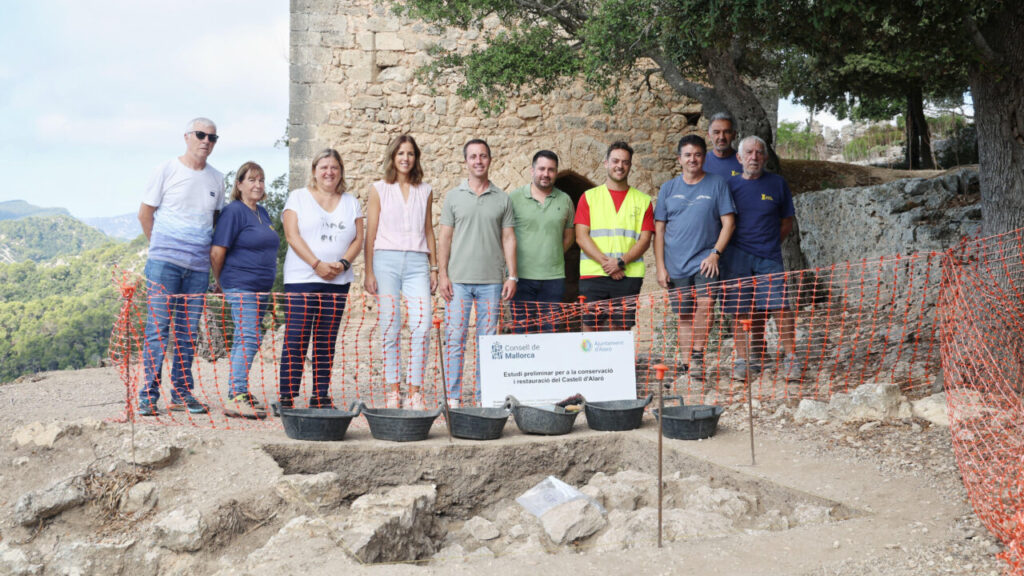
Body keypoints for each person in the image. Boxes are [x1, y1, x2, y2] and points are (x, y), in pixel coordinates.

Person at [137, 117, 225, 417]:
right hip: (165, 266)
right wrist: (160, 249)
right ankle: (148, 395)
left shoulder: (217, 179)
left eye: (212, 138)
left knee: (188, 333)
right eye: (200, 135)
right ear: (187, 137)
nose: (206, 141)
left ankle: (181, 392)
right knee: (158, 330)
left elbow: (214, 223)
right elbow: (145, 214)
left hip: (198, 269)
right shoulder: (165, 169)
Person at [278, 149, 364, 410]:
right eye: (324, 167)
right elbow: (292, 235)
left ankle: (320, 395)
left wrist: (343, 264)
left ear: (341, 171)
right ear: (314, 171)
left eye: (334, 167)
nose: (329, 172)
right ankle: (287, 396)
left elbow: (359, 238)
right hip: (302, 278)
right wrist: (316, 264)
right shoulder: (298, 198)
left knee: (326, 340)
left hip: (337, 281)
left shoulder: (351, 202)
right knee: (296, 337)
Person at [438, 139, 517, 408]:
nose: (478, 161)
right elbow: (445, 238)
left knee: (488, 343)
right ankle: (453, 397)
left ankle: (486, 395)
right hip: (458, 281)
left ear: (490, 160)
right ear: (466, 162)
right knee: (455, 338)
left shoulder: (502, 198)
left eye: (483, 156)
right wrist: (442, 275)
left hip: (491, 282)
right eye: (473, 156)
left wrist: (512, 276)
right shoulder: (453, 196)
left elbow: (508, 238)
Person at [364, 135, 437, 411]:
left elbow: (429, 229)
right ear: (392, 157)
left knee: (422, 324)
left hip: (418, 262)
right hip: (386, 261)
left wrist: (434, 268)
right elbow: (370, 232)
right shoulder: (379, 189)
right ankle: (394, 390)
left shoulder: (425, 190)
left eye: (410, 154)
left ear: (416, 158)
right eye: (400, 153)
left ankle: (415, 391)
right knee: (390, 324)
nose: (405, 158)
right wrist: (368, 270)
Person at [654, 135, 736, 382]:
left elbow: (729, 223)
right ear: (679, 159)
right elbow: (659, 230)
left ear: (704, 157)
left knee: (707, 305)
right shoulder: (668, 188)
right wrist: (660, 267)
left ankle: (698, 356)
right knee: (685, 315)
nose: (693, 159)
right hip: (676, 264)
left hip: (705, 261)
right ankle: (685, 363)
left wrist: (715, 254)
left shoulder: (717, 184)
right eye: (688, 155)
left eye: (698, 154)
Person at [721, 135, 800, 382]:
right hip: (736, 257)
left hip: (769, 256)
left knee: (781, 306)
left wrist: (769, 243)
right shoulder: (729, 186)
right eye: (749, 152)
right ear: (739, 158)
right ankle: (744, 361)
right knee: (739, 310)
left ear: (765, 157)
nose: (754, 157)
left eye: (758, 152)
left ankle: (791, 359)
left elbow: (786, 221)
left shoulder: (777, 184)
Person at [210, 161, 280, 419]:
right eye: (251, 179)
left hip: (261, 288)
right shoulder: (234, 212)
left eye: (261, 180)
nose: (257, 184)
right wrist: (220, 282)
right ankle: (235, 395)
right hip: (240, 284)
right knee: (249, 336)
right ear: (239, 185)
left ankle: (238, 390)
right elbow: (217, 251)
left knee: (247, 337)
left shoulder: (263, 212)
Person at [574, 141, 654, 331]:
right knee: (590, 326)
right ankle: (591, 362)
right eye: (615, 161)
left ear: (630, 166)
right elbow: (581, 236)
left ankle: (617, 363)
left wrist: (620, 262)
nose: (620, 166)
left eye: (625, 162)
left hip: (628, 275)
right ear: (606, 163)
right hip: (593, 273)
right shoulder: (589, 197)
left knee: (621, 329)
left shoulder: (643, 201)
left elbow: (645, 240)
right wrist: (608, 264)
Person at [508, 150, 575, 333]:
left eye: (551, 170)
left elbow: (570, 235)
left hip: (553, 279)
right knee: (523, 333)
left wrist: (553, 253)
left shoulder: (565, 200)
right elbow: (506, 235)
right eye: (542, 169)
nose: (546, 174)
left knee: (550, 331)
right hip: (521, 278)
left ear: (556, 172)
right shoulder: (514, 198)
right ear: (532, 170)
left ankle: (547, 364)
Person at [703, 112, 743, 179]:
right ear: (709, 136)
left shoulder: (745, 162)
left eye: (727, 132)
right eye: (716, 132)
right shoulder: (700, 163)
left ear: (734, 135)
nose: (722, 137)